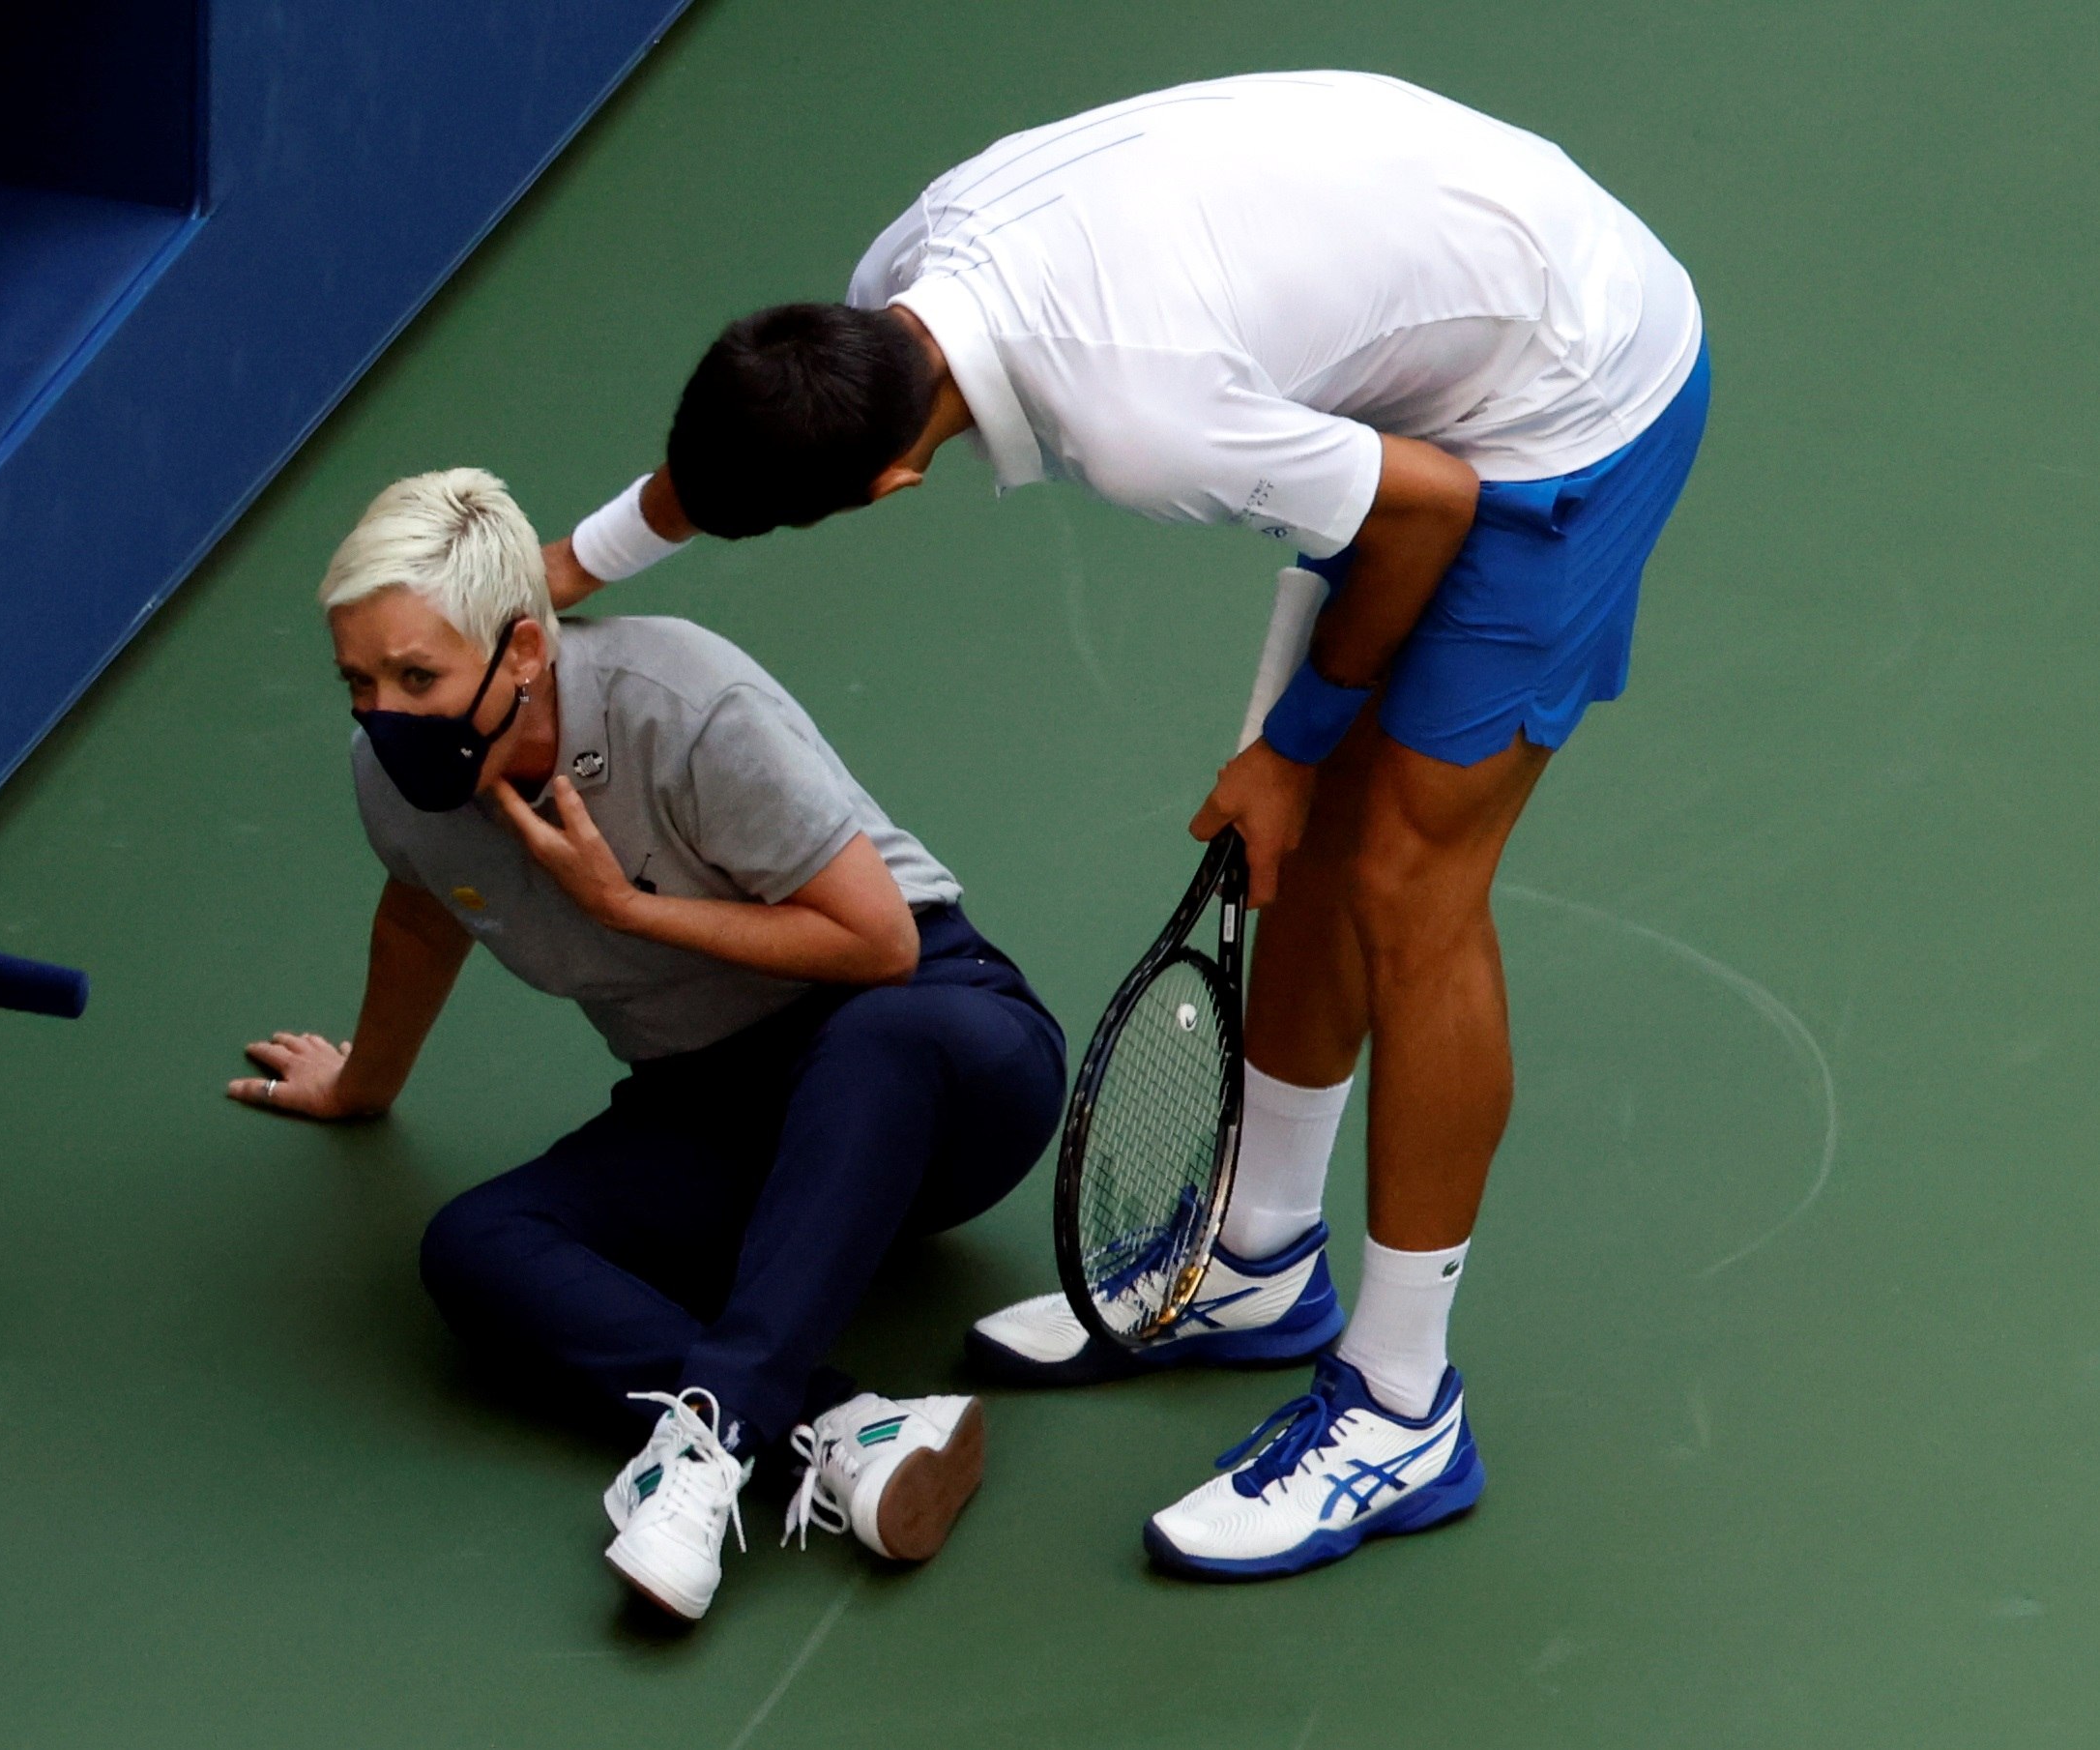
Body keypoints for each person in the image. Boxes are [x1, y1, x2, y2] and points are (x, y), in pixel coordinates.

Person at [538, 71, 1710, 1579]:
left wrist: (1290, 746)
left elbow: (1419, 509)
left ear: (896, 481)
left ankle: (1402, 1404)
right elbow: (727, 470)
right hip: (1417, 309)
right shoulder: (892, 293)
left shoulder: (1142, 422)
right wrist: (564, 565)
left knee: (1404, 885)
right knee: (1300, 855)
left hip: (1564, 388)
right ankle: (1255, 1259)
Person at [226, 469, 1066, 1621]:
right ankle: (843, 1425)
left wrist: (628, 910)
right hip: (719, 1101)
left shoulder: (680, 703)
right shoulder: (397, 780)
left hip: (937, 1053)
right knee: (477, 1245)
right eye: (358, 682)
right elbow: (422, 913)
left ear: (521, 651)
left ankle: (711, 1440)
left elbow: (875, 944)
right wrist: (360, 1084)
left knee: (877, 1043)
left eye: (416, 676)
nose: (385, 713)